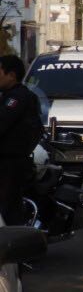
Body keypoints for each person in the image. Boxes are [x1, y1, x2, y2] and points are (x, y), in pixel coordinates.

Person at [0, 54, 42, 225]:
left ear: (11, 75)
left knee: (7, 208)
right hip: (9, 161)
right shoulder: (9, 95)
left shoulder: (17, 97)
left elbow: (2, 122)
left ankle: (15, 238)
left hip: (10, 163)